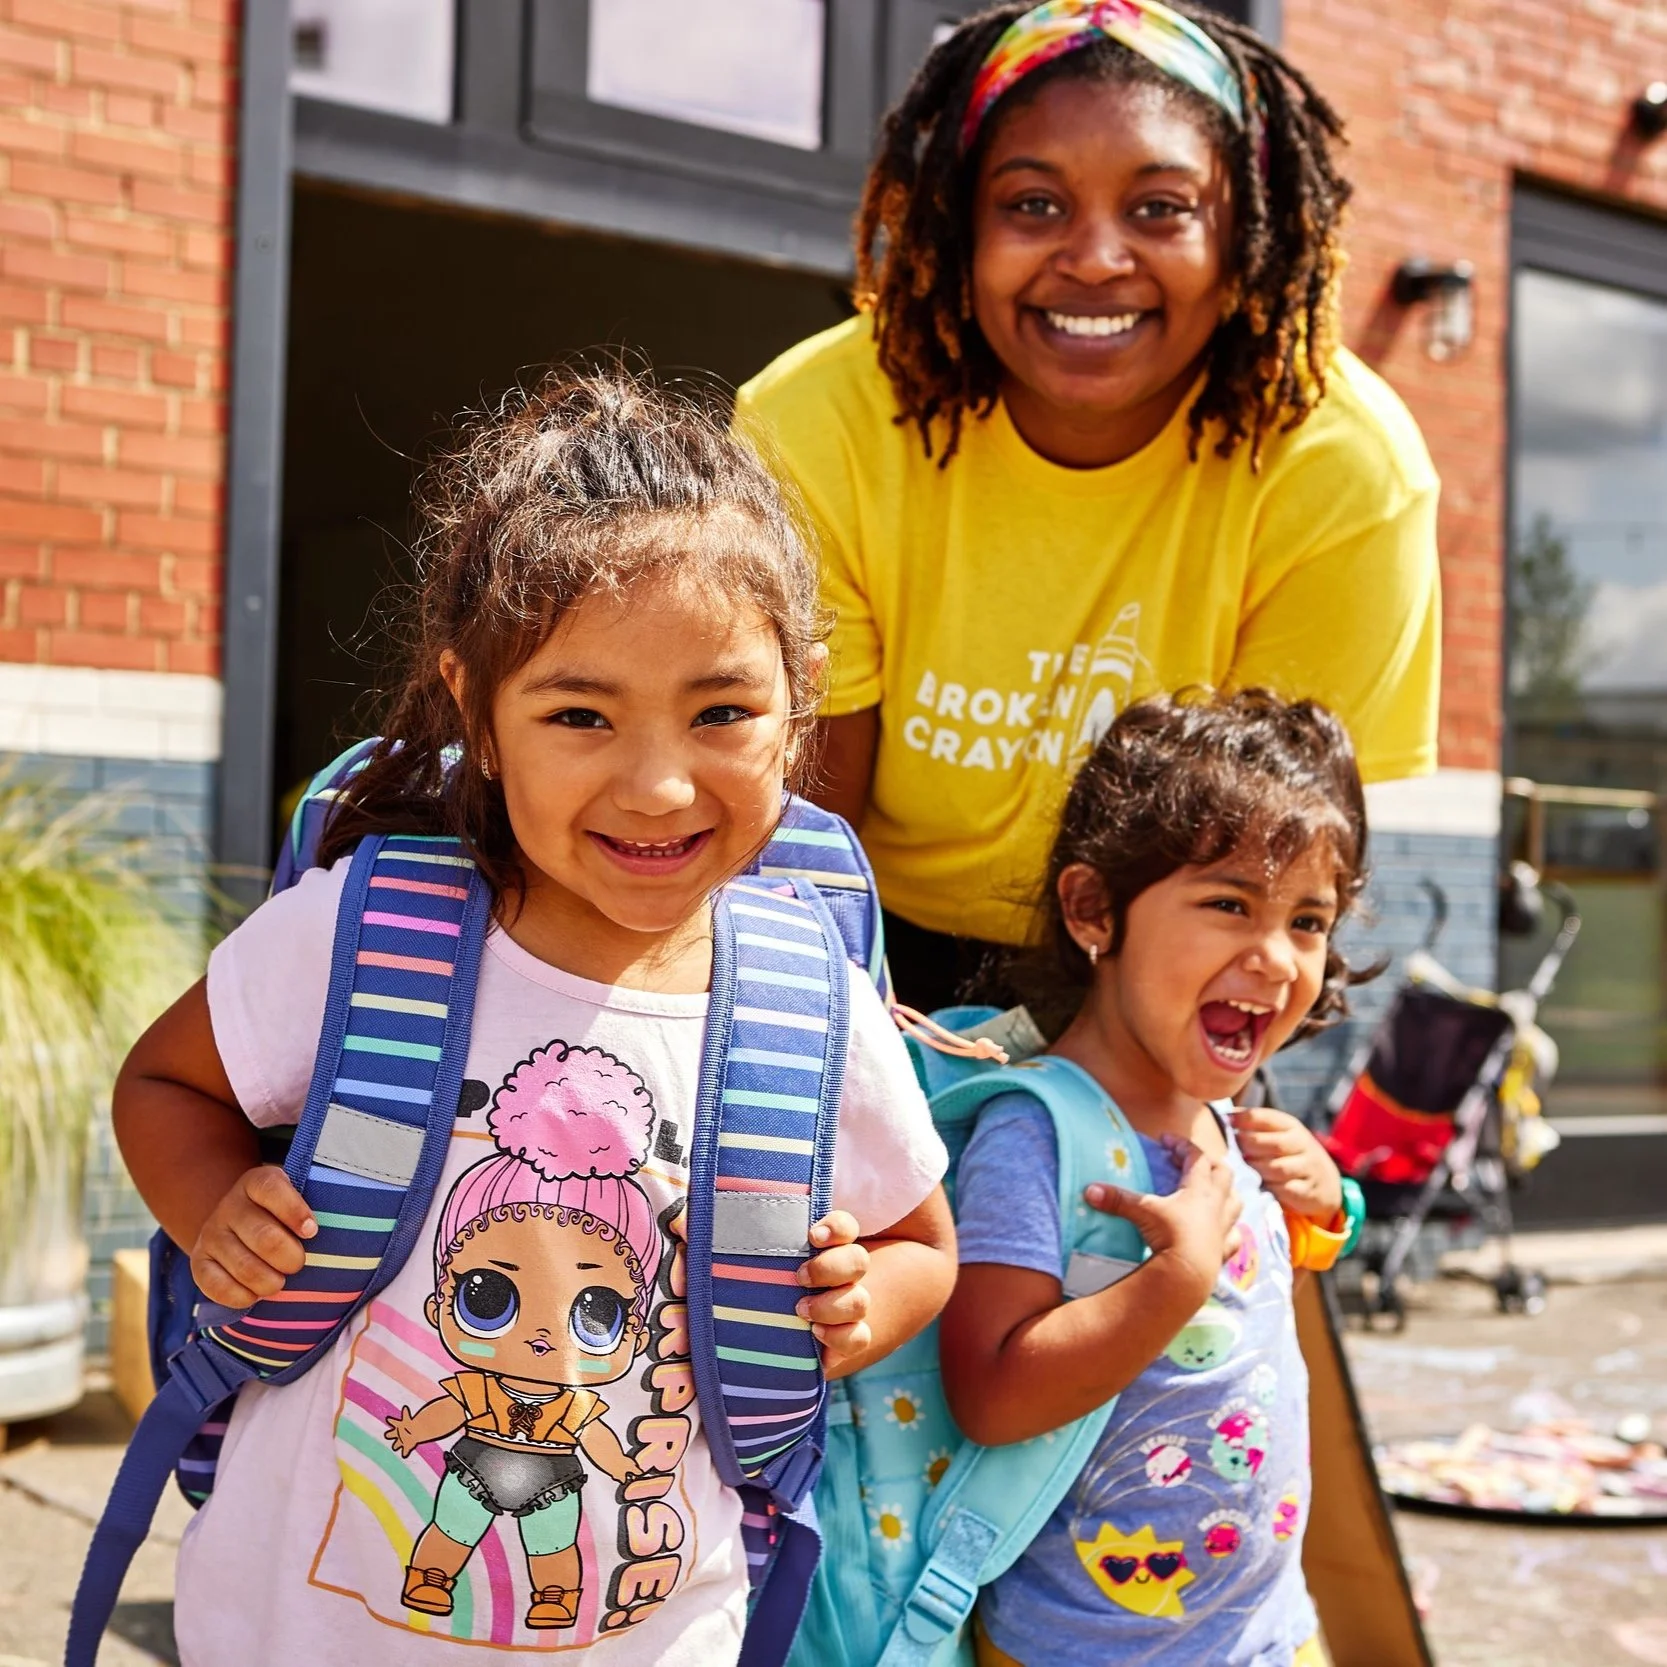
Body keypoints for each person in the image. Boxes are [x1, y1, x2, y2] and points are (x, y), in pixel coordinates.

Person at [112, 371, 956, 1666]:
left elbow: (918, 1236)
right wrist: (214, 1203)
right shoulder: (360, 932)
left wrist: (867, 1299)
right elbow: (166, 1086)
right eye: (578, 714)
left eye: (722, 710)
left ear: (800, 696)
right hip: (298, 1628)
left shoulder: (810, 997)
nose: (658, 781)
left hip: (655, 1632)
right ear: (477, 714)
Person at [737, 0, 1441, 1010]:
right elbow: (796, 839)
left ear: (1237, 232)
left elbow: (1272, 872)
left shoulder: (1343, 466)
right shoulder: (820, 420)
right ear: (957, 221)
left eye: (1159, 208)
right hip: (856, 940)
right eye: (1032, 204)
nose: (1096, 257)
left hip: (1172, 967)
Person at [939, 689, 1361, 1666]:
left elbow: (1249, 1312)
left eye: (1306, 919)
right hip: (1084, 1648)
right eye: (1227, 903)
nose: (1273, 954)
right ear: (1093, 908)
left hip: (1268, 1630)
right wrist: (1170, 1281)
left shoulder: (1230, 1120)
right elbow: (991, 1392)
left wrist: (1326, 1206)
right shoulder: (1037, 1132)